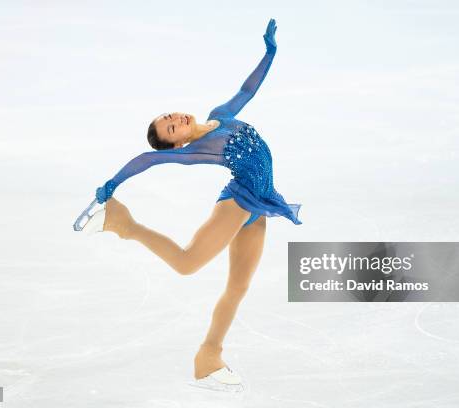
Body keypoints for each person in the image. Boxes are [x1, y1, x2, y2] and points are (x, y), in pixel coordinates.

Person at [81, 18, 302, 391]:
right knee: (187, 263)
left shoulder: (221, 115)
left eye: (170, 116)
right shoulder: (196, 152)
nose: (176, 119)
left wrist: (269, 53)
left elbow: (247, 89)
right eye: (171, 128)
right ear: (178, 144)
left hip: (260, 206)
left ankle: (208, 358)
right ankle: (122, 224)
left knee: (238, 286)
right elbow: (147, 160)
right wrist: (113, 183)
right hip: (238, 203)